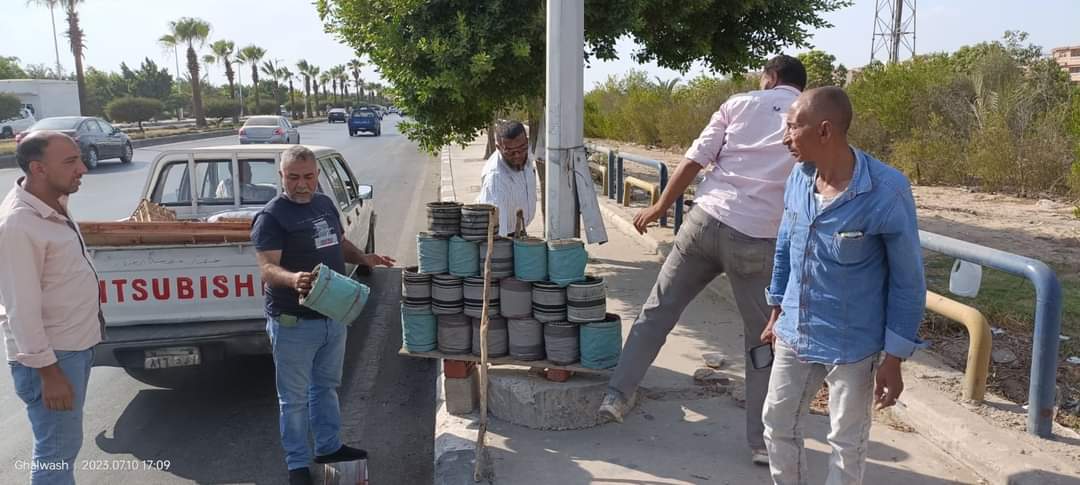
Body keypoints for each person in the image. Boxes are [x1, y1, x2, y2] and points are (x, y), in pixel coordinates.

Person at [601, 55, 808, 466]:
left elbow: (695, 160)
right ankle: (760, 442)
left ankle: (617, 396)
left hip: (704, 222)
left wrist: (660, 206)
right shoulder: (807, 116)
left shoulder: (737, 103)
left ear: (770, 78)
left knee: (658, 311)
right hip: (757, 239)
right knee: (761, 340)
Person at [760, 86, 926, 484]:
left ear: (824, 131)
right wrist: (777, 309)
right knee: (777, 424)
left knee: (846, 443)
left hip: (853, 344)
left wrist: (895, 357)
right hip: (795, 332)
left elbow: (908, 281)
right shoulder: (798, 181)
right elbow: (786, 247)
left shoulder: (886, 191)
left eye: (791, 128)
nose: (784, 138)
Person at [251, 145, 396, 485]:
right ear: (281, 177)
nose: (301, 185)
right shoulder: (271, 217)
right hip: (293, 323)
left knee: (326, 388)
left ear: (316, 176)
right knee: (294, 400)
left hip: (332, 316)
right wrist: (293, 279)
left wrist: (365, 258)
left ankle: (329, 447)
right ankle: (298, 466)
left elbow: (339, 243)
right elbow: (267, 268)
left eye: (308, 177)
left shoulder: (324, 204)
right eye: (293, 178)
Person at [1, 131, 105, 485]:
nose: (83, 169)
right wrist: (49, 374)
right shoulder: (18, 224)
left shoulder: (51, 202)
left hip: (71, 349)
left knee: (62, 449)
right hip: (52, 359)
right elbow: (21, 309)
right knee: (56, 455)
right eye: (71, 162)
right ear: (38, 168)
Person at [476, 121, 538, 236]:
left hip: (519, 231)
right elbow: (498, 232)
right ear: (498, 147)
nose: (517, 155)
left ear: (527, 142)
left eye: (521, 148)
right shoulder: (495, 178)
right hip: (504, 239)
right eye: (510, 152)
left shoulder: (527, 157)